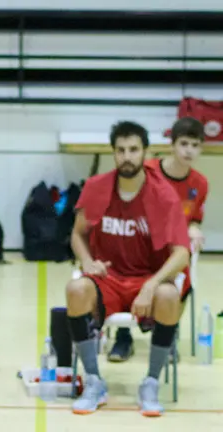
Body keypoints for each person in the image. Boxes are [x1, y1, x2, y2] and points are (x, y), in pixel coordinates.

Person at [65, 120, 191, 417]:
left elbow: (182, 254)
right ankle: (94, 381)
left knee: (169, 296)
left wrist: (152, 284)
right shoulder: (97, 187)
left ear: (145, 152)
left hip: (147, 278)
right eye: (120, 150)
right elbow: (77, 234)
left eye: (133, 150)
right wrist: (87, 262)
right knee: (76, 289)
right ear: (113, 153)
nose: (127, 157)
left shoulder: (163, 194)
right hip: (107, 277)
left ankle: (151, 383)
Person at [108, 117, 208, 363]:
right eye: (183, 144)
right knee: (125, 272)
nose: (189, 151)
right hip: (138, 242)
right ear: (171, 145)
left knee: (183, 278)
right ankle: (123, 336)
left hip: (171, 248)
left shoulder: (200, 183)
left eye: (195, 145)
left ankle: (167, 333)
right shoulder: (147, 170)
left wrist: (193, 227)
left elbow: (194, 217)